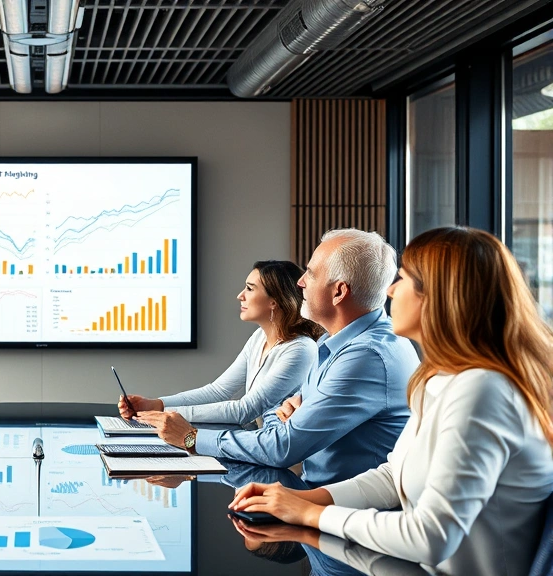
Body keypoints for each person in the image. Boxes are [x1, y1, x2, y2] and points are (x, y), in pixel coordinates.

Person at [230, 227, 553, 576]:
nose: (390, 290)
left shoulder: (482, 390)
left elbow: (432, 536)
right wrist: (302, 501)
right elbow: (391, 476)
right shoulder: (441, 378)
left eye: (404, 279)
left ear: (441, 297)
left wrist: (311, 515)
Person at [137, 229, 420, 487]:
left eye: (310, 273)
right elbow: (277, 423)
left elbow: (282, 447)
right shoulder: (332, 343)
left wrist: (191, 438)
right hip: (323, 498)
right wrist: (285, 413)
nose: (300, 282)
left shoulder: (365, 357)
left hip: (350, 515)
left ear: (339, 292)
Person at [119, 260, 323, 427]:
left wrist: (165, 415)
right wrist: (155, 404)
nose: (240, 295)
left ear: (274, 301)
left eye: (250, 289)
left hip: (283, 461)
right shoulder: (259, 337)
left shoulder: (300, 349)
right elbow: (219, 391)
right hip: (256, 444)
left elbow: (244, 410)